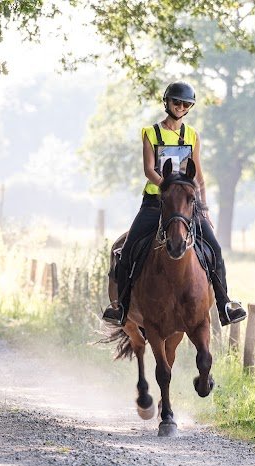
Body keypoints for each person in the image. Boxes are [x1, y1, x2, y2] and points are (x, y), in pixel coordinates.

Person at [102, 81, 247, 327]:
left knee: (215, 249)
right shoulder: (150, 133)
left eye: (186, 104)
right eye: (176, 102)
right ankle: (121, 307)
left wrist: (204, 208)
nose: (180, 107)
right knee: (127, 251)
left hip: (187, 205)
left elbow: (198, 175)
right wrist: (168, 188)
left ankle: (224, 305)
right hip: (155, 202)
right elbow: (149, 170)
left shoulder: (192, 135)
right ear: (167, 102)